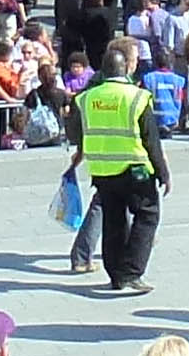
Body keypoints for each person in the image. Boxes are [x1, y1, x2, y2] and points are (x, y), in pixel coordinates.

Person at [69, 36, 170, 296]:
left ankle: (115, 275)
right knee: (148, 215)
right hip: (134, 168)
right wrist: (163, 173)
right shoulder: (137, 97)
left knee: (113, 222)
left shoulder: (86, 98)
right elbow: (151, 140)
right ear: (125, 68)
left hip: (102, 170)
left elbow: (74, 132)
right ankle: (132, 272)